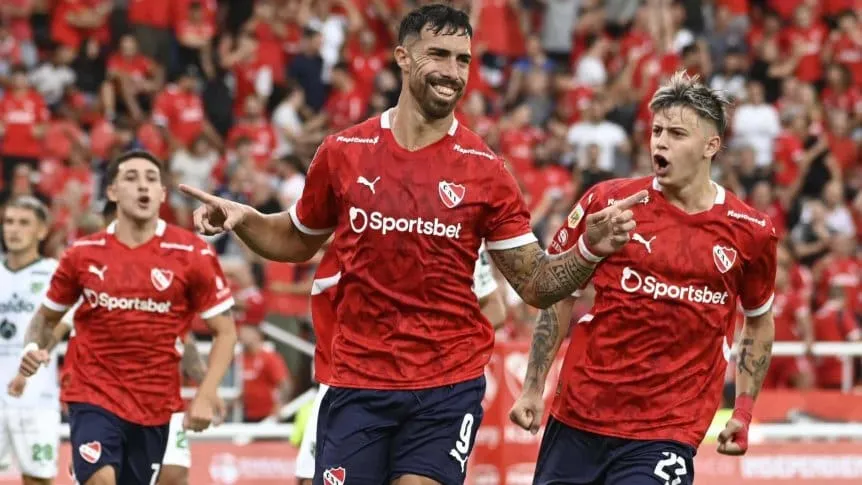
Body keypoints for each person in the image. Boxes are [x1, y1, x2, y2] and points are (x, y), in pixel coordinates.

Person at [179, 4, 644, 484]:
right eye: (438, 55)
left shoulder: (486, 171)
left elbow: (535, 285)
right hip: (357, 378)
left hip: (446, 385)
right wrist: (246, 219)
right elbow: (297, 239)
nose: (453, 72)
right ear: (402, 57)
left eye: (463, 60)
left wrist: (588, 250)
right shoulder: (344, 153)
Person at [509, 71, 778, 485]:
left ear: (711, 146)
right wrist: (532, 387)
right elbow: (558, 294)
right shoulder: (608, 203)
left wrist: (742, 411)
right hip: (580, 416)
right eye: (656, 131)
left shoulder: (750, 231)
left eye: (677, 134)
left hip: (668, 430)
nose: (660, 143)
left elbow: (758, 321)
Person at [16, 150, 238, 485]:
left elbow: (226, 331)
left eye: (151, 179)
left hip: (154, 401)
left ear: (162, 193)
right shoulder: (82, 254)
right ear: (112, 191)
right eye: (131, 178)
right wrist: (32, 347)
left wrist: (206, 392)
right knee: (101, 480)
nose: (142, 186)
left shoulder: (192, 253)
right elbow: (46, 318)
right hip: (92, 392)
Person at [294, 243, 507, 485]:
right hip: (352, 379)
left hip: (430, 389)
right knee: (310, 477)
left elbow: (494, 307)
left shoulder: (462, 233)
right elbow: (304, 236)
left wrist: (443, 348)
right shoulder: (364, 223)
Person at [0, 196, 73, 485]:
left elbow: (62, 324)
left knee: (38, 480)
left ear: (42, 230)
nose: (13, 229)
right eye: (8, 222)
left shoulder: (56, 273)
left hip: (36, 398)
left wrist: (38, 354)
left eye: (23, 223)